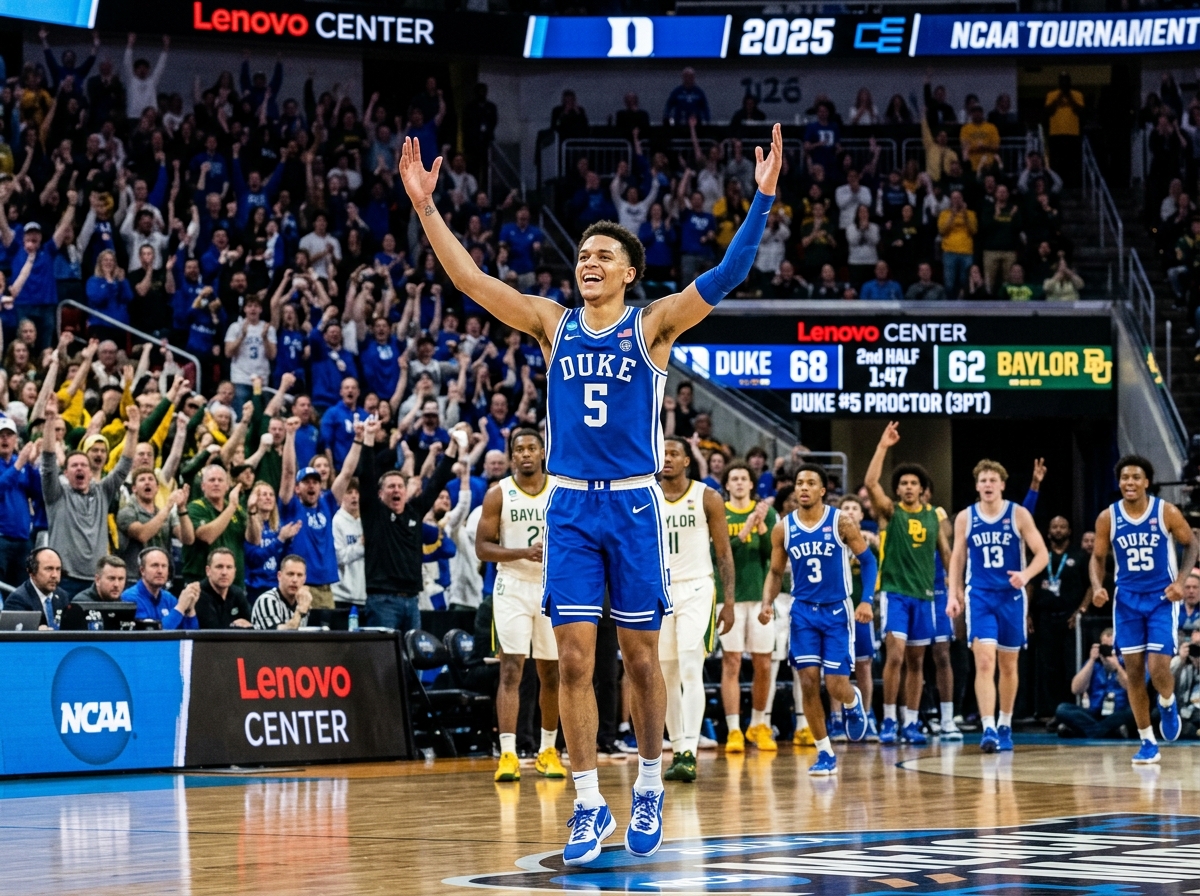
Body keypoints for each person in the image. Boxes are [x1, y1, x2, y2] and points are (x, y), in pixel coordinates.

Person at [399, 122, 781, 865]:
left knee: (641, 662)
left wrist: (762, 200)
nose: (589, 262)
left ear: (631, 271)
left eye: (604, 255)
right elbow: (474, 283)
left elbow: (728, 276)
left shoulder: (654, 325)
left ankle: (645, 781)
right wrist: (426, 209)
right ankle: (584, 801)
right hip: (570, 505)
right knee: (574, 662)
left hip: (635, 504)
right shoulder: (552, 323)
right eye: (582, 255)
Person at [760, 464, 875, 775]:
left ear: (824, 490)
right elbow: (774, 571)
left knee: (836, 684)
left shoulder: (842, 523)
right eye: (799, 483)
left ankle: (852, 703)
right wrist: (766, 603)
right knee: (808, 681)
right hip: (803, 612)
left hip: (837, 611)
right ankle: (825, 752)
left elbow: (868, 561)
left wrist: (866, 599)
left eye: (811, 483)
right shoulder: (783, 528)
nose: (803, 488)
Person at [1089, 455, 1197, 764]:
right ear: (1119, 482)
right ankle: (1147, 741)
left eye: (1136, 477)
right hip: (1127, 602)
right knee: (1134, 670)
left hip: (1162, 598)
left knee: (1159, 667)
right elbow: (1097, 558)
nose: (1130, 482)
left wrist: (1181, 580)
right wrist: (1098, 586)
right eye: (1125, 478)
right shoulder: (1107, 517)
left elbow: (1192, 544)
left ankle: (1167, 701)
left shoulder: (1166, 512)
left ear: (1146, 481)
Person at [476, 429, 566, 783]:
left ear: (542, 452)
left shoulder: (559, 491)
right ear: (511, 456)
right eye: (519, 449)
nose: (526, 454)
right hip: (511, 585)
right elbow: (483, 548)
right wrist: (522, 553)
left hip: (550, 587)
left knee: (551, 672)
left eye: (532, 448)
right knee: (511, 669)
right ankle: (509, 753)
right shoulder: (498, 494)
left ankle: (548, 750)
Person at [947, 461, 1048, 753]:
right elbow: (957, 558)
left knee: (1008, 665)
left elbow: (1041, 553)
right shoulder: (966, 517)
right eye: (983, 480)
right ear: (977, 486)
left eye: (993, 480)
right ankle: (988, 727)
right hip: (979, 597)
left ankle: (1005, 722)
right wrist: (954, 595)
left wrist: (1025, 575)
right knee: (984, 662)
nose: (988, 485)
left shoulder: (1018, 514)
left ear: (1002, 484)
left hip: (1011, 598)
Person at [864, 421, 951, 745]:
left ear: (922, 488)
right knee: (896, 656)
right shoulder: (890, 513)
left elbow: (947, 553)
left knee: (917, 662)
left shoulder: (934, 517)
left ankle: (910, 723)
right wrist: (883, 446)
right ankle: (889, 719)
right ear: (898, 489)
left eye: (914, 483)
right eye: (904, 483)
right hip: (895, 594)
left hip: (925, 597)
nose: (909, 487)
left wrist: (955, 591)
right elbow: (871, 482)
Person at [658, 436, 734, 783]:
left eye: (674, 453)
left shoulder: (707, 497)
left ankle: (689, 748)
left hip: (697, 588)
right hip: (659, 590)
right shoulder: (647, 496)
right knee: (667, 674)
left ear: (688, 460)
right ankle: (677, 749)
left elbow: (723, 553)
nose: (667, 459)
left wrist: (728, 601)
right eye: (663, 454)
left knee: (690, 666)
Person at [356, 416, 466, 632]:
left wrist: (452, 445)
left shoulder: (414, 510)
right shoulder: (374, 514)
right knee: (384, 658)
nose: (396, 490)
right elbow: (366, 477)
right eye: (390, 487)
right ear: (380, 494)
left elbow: (436, 482)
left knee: (413, 660)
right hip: (382, 600)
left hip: (413, 600)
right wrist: (368, 437)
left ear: (406, 492)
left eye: (400, 486)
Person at [41, 401, 138, 597]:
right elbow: (49, 460)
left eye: (83, 465)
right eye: (74, 465)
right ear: (66, 473)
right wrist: (50, 420)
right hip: (64, 579)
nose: (79, 469)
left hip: (97, 581)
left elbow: (124, 466)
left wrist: (133, 432)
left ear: (90, 470)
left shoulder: (102, 491)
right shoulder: (56, 494)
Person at [718, 463, 779, 753]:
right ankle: (733, 730)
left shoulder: (768, 513)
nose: (740, 482)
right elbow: (717, 553)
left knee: (763, 664)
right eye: (734, 479)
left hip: (759, 597)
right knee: (731, 662)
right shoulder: (720, 511)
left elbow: (774, 556)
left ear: (752, 484)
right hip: (728, 598)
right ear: (727, 485)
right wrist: (744, 532)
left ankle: (758, 723)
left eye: (744, 478)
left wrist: (763, 528)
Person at [278, 416, 362, 611]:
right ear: (297, 488)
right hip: (299, 587)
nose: (312, 485)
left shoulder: (327, 504)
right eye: (306, 482)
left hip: (326, 588)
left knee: (327, 638)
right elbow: (289, 472)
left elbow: (347, 473)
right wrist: (290, 436)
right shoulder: (290, 507)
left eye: (315, 482)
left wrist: (358, 439)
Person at [1030, 516, 1092, 719]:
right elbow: (1031, 584)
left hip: (1070, 619)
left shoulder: (1080, 556)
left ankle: (1070, 709)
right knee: (1048, 665)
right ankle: (1048, 711)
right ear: (1048, 532)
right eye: (1054, 526)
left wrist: (1081, 610)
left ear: (1069, 531)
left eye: (1062, 526)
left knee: (1070, 664)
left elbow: (1091, 585)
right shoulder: (1041, 556)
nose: (1058, 530)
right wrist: (1027, 613)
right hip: (1046, 617)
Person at [1053, 628, 1135, 739]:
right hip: (1093, 713)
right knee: (1062, 709)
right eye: (1104, 647)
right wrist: (1091, 660)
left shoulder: (1127, 664)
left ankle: (1080, 732)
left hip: (1117, 713)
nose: (1107, 651)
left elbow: (1133, 689)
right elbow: (1075, 689)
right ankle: (1107, 733)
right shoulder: (1093, 665)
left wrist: (1117, 667)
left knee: (1133, 712)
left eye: (1111, 647)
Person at [116, 469, 192, 572]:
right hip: (134, 577)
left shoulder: (165, 513)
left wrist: (182, 508)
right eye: (142, 480)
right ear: (134, 488)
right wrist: (168, 506)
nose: (147, 482)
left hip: (161, 575)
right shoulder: (126, 512)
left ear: (157, 488)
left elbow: (188, 539)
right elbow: (143, 535)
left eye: (151, 479)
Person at [0, 417, 39, 585]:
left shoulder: (22, 463)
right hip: (1, 538)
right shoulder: (18, 463)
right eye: (1, 435)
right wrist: (20, 464)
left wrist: (33, 466)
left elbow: (38, 493)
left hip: (23, 538)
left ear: (16, 439)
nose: (5, 439)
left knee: (22, 587)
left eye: (9, 435)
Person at [124, 546, 199, 630]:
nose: (160, 571)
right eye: (155, 565)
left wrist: (189, 609)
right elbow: (153, 634)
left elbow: (191, 634)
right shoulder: (130, 598)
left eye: (164, 566)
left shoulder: (169, 598)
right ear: (142, 570)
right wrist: (180, 607)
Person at [4, 547, 69, 628]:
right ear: (32, 572)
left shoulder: (62, 595)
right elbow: (14, 635)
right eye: (49, 569)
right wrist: (35, 633)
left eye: (58, 569)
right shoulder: (17, 600)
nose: (54, 575)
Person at [195, 546, 253, 629]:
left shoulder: (237, 593)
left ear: (235, 571)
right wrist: (235, 627)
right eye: (219, 567)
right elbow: (212, 631)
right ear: (208, 571)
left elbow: (252, 625)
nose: (224, 572)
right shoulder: (198, 594)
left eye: (229, 567)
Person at [251, 554, 313, 630]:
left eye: (299, 575)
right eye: (290, 574)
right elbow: (279, 636)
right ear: (279, 576)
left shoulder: (303, 600)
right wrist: (299, 611)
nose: (295, 580)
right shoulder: (267, 600)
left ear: (304, 579)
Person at [1045, 73, 1084, 188]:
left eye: (1066, 81)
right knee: (1056, 163)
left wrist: (1070, 97)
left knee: (1072, 163)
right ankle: (1056, 186)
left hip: (1073, 133)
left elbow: (1080, 112)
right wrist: (1059, 97)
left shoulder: (1077, 95)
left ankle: (1074, 187)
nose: (1064, 84)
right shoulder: (1051, 95)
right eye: (1062, 81)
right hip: (1056, 133)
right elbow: (1048, 112)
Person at [332, 479, 364, 611]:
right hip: (342, 595)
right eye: (349, 492)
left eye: (357, 492)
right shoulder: (337, 521)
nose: (354, 496)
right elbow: (339, 557)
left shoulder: (366, 521)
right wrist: (361, 546)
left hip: (364, 594)